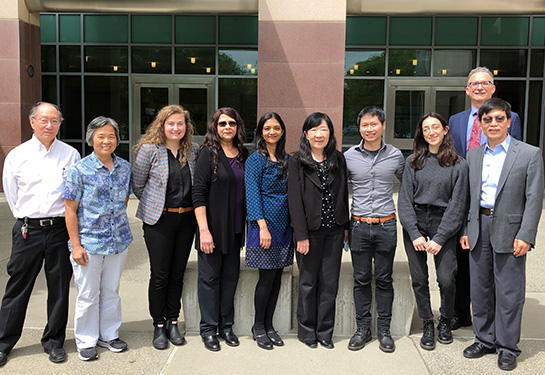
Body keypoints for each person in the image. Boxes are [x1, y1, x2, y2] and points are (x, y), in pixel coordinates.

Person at [461, 98, 543, 371]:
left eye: (499, 119)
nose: (493, 124)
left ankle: (508, 347)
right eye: (487, 120)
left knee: (509, 292)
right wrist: (465, 230)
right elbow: (467, 198)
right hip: (478, 227)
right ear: (480, 124)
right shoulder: (473, 155)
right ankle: (484, 339)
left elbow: (534, 198)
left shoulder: (529, 153)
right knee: (480, 289)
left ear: (508, 121)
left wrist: (526, 235)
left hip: (511, 230)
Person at [0, 102, 80, 366]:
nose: (49, 125)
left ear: (60, 123)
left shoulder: (70, 155)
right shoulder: (17, 155)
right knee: (18, 287)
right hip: (28, 230)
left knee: (59, 288)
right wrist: (27, 218)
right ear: (32, 122)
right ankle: (3, 342)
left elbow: (74, 196)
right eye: (44, 120)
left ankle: (54, 342)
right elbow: (12, 196)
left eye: (55, 121)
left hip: (59, 230)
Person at [448, 66, 522, 331]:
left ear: (493, 88)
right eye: (474, 83)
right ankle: (461, 312)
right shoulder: (455, 120)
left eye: (485, 83)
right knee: (462, 260)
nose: (479, 87)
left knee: (493, 264)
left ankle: (493, 320)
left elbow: (516, 162)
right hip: (461, 199)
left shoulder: (507, 118)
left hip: (494, 202)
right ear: (467, 90)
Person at [64, 117, 133, 361]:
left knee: (111, 290)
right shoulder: (79, 169)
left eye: (111, 136)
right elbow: (70, 210)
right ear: (91, 139)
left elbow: (124, 200)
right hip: (89, 244)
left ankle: (109, 334)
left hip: (118, 241)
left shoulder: (125, 167)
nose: (106, 141)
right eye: (101, 136)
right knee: (88, 293)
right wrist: (75, 245)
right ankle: (85, 340)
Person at [398, 112, 468, 351]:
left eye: (435, 127)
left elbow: (458, 205)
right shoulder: (413, 162)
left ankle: (445, 320)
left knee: (447, 279)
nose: (431, 132)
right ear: (422, 133)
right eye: (426, 128)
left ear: (445, 130)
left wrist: (439, 238)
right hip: (416, 220)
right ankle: (428, 322)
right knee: (419, 279)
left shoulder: (459, 165)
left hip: (443, 221)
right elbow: (404, 201)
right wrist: (415, 233)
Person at [133, 105, 199, 350]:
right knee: (160, 274)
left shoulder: (193, 151)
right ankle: (158, 325)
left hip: (186, 221)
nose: (175, 128)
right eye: (170, 123)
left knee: (177, 273)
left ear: (186, 127)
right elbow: (138, 185)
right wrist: (155, 206)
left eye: (180, 124)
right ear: (162, 125)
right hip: (159, 222)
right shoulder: (149, 150)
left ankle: (173, 321)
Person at [344, 106, 404, 352]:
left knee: (384, 279)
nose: (369, 129)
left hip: (386, 225)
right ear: (359, 128)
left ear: (383, 125)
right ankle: (362, 329)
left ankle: (384, 331)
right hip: (358, 225)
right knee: (360, 280)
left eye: (374, 124)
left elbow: (410, 186)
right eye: (365, 125)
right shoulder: (348, 156)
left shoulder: (396, 155)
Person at [288, 112, 349, 350]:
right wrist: (301, 235)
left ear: (330, 133)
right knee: (308, 283)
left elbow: (343, 193)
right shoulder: (297, 161)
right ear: (306, 133)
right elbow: (294, 201)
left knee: (329, 284)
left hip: (334, 231)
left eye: (323, 129)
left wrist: (344, 227)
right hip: (308, 234)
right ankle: (306, 331)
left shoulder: (338, 159)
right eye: (314, 129)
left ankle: (325, 332)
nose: (319, 134)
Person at [192, 107, 248, 351]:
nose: (227, 127)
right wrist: (203, 230)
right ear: (215, 126)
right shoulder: (207, 154)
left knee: (229, 279)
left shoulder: (244, 154)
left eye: (232, 123)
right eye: (222, 123)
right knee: (209, 279)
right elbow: (198, 194)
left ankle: (226, 327)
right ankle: (208, 329)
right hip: (212, 231)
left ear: (238, 127)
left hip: (235, 230)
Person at [245, 112, 293, 350]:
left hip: (284, 226)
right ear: (261, 132)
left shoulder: (287, 159)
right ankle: (258, 326)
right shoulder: (255, 159)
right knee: (265, 278)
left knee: (276, 278)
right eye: (267, 128)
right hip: (263, 227)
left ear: (282, 131)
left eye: (276, 127)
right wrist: (262, 227)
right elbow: (252, 194)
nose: (272, 132)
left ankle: (270, 324)